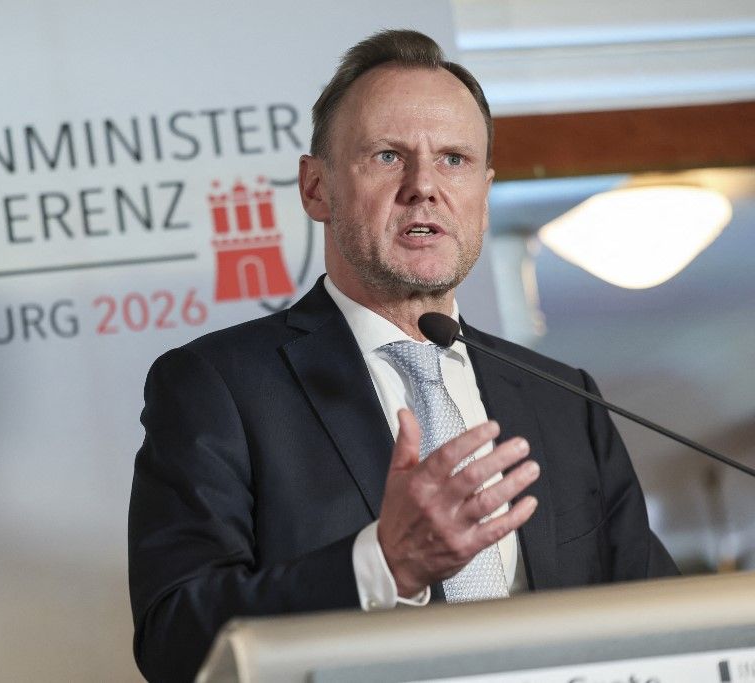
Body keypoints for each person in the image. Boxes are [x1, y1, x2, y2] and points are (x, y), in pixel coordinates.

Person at [128, 29, 678, 683]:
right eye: (388, 156)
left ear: (483, 189)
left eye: (453, 159)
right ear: (315, 188)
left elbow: (658, 620)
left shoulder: (566, 397)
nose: (424, 186)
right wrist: (383, 563)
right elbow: (175, 642)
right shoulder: (217, 386)